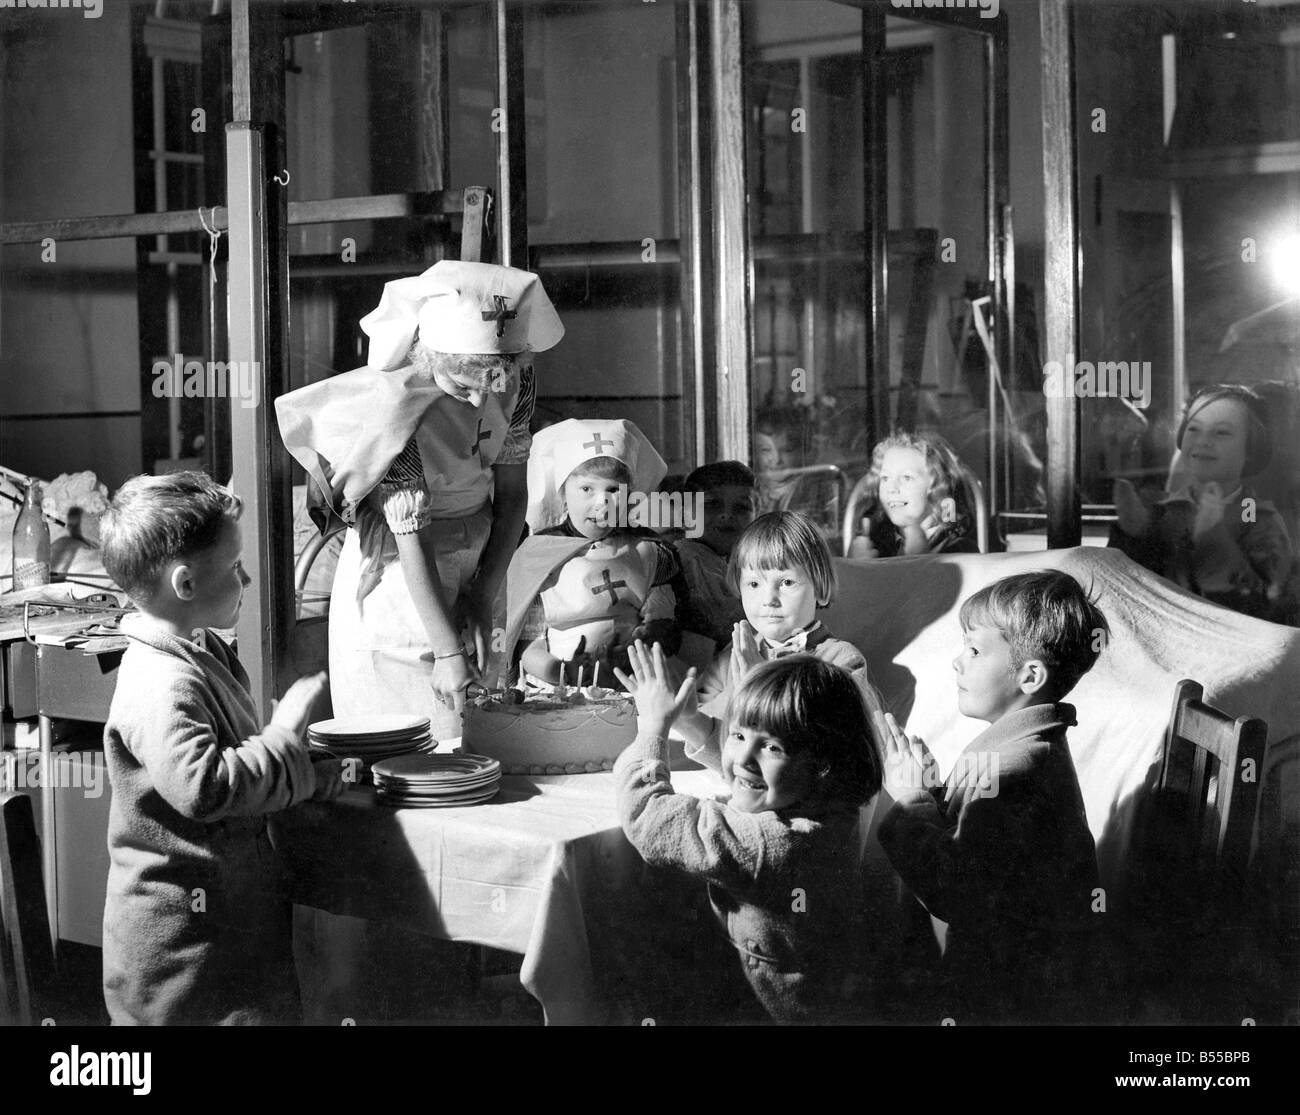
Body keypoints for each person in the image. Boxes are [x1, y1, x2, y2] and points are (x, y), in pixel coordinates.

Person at [276, 261, 564, 739]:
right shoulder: (394, 408)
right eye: (463, 387)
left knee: (475, 738)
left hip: (480, 553)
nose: (478, 403)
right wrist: (447, 651)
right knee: (403, 741)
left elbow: (512, 499)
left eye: (492, 385)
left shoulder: (518, 381)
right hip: (399, 571)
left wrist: (481, 594)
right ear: (431, 361)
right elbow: (412, 535)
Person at [97, 472, 343, 1025]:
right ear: (185, 584)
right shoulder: (162, 683)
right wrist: (282, 739)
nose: (248, 577)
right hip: (184, 953)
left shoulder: (199, 648)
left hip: (228, 930)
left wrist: (308, 772)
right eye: (234, 567)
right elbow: (207, 788)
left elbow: (238, 759)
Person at [876, 570, 1106, 1023]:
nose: (958, 662)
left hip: (1007, 1001)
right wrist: (935, 793)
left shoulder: (1014, 769)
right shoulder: (1024, 747)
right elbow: (985, 846)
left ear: (1030, 674)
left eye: (975, 649)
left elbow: (957, 891)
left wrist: (908, 801)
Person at [613, 642, 882, 1022]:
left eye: (772, 746)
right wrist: (694, 723)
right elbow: (755, 781)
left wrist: (653, 726)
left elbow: (649, 816)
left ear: (823, 763)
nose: (742, 758)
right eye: (738, 735)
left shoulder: (769, 844)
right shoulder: (828, 807)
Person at [673, 510, 881, 769]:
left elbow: (834, 750)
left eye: (786, 582)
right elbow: (705, 725)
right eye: (753, 584)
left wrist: (757, 686)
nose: (768, 598)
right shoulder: (735, 653)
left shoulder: (840, 660)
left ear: (820, 588)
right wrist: (689, 715)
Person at [493, 418, 681, 687]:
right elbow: (527, 647)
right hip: (557, 687)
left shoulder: (650, 552)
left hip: (635, 679)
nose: (601, 502)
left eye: (614, 490)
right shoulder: (536, 557)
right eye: (586, 489)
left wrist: (641, 645)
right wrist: (565, 673)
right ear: (563, 495)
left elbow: (664, 623)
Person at [1110, 383, 1295, 625]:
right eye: (1194, 429)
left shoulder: (1256, 517)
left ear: (1251, 449)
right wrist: (1133, 533)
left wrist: (1213, 537)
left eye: (1222, 432)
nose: (1203, 441)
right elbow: (1129, 590)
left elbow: (1264, 606)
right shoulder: (1161, 510)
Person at [849, 431, 978, 558]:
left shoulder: (960, 549)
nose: (892, 488)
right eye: (885, 478)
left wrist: (918, 560)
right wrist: (854, 567)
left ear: (940, 489)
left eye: (906, 477)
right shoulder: (878, 543)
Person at [674, 460, 756, 654]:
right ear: (685, 514)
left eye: (741, 507)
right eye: (712, 505)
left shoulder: (736, 560)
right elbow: (727, 627)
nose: (727, 515)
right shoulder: (689, 557)